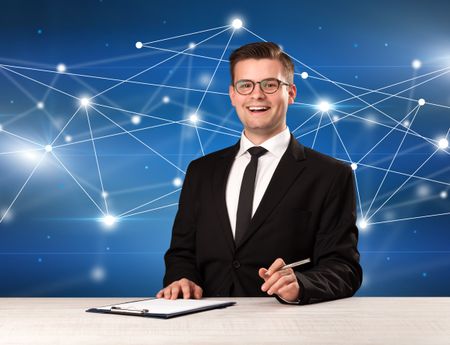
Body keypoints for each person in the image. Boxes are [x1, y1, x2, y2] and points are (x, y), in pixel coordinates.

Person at [157, 42, 362, 304]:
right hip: (204, 322)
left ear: (291, 93)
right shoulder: (201, 171)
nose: (257, 95)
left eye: (270, 84)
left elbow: (344, 268)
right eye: (246, 85)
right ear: (233, 95)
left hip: (285, 326)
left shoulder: (330, 175)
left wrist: (301, 284)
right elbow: (181, 253)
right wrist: (181, 279)